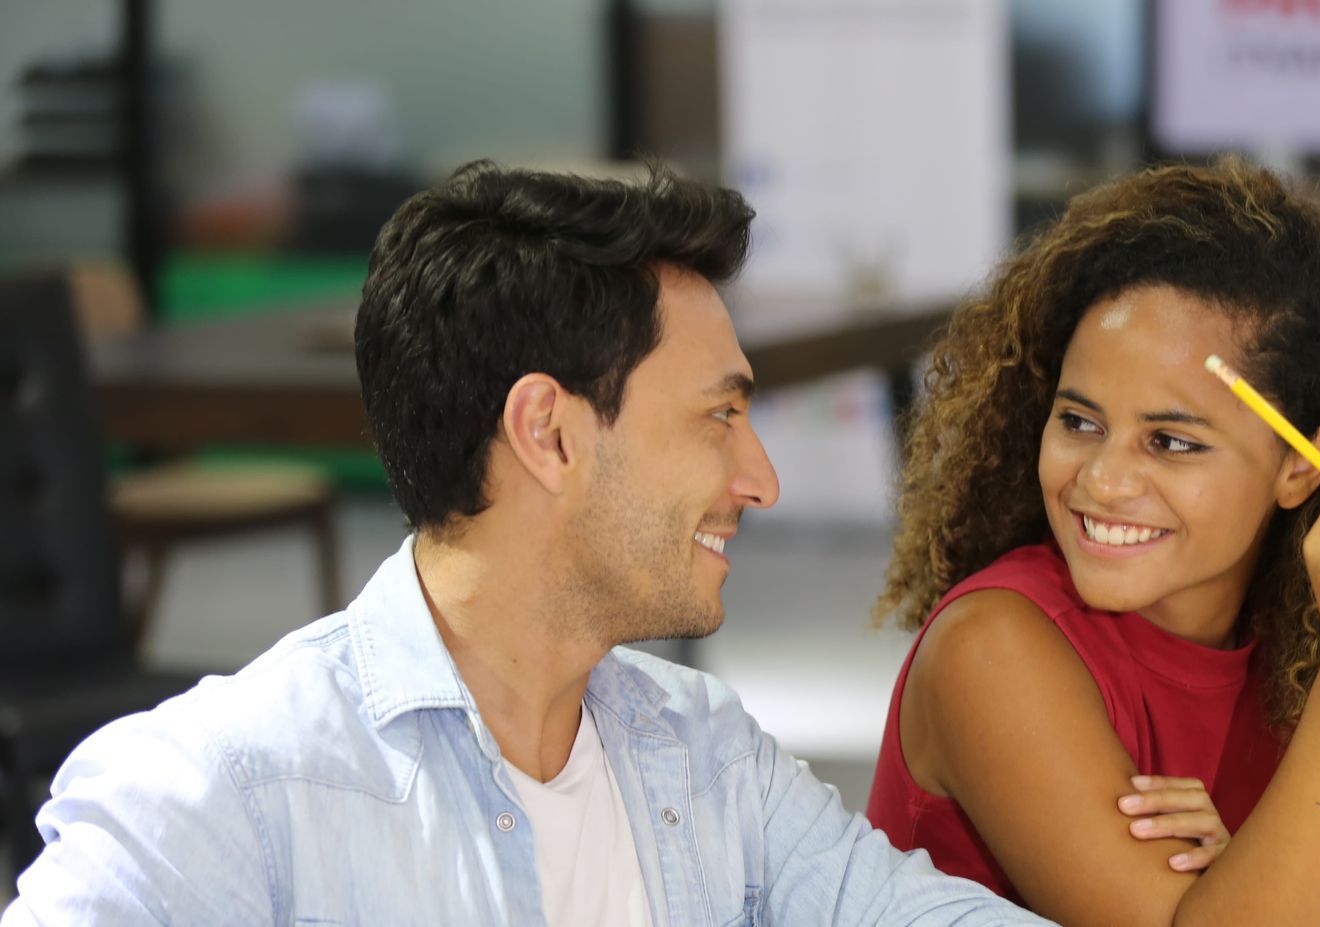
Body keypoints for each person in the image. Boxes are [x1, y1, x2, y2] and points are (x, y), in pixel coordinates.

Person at [3, 162, 1051, 927]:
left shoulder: (701, 751)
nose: (761, 480)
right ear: (546, 432)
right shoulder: (223, 793)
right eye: (718, 417)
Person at [864, 160, 1320, 926]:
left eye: (1171, 441)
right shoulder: (991, 647)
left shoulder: (1318, 622)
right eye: (1079, 422)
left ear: (1303, 464)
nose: (1102, 481)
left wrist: (1250, 898)